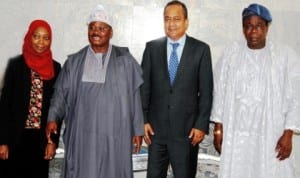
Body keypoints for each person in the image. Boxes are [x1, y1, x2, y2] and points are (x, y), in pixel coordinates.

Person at [46, 4, 144, 178]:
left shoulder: (125, 61)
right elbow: (60, 93)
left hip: (116, 133)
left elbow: (135, 96)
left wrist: (137, 129)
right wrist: (53, 117)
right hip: (83, 133)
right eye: (92, 27)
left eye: (101, 28)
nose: (96, 32)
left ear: (111, 32)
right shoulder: (74, 62)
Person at [211, 3, 300, 178]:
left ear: (267, 28)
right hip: (236, 132)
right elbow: (218, 90)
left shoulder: (284, 56)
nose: (253, 31)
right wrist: (218, 129)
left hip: (270, 133)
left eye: (259, 26)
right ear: (243, 28)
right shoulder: (231, 54)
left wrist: (288, 133)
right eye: (249, 26)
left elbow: (296, 96)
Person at [141, 1, 213, 177]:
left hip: (187, 133)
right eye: (167, 19)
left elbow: (206, 91)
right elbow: (144, 88)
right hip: (156, 134)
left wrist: (201, 125)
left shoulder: (201, 50)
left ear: (186, 22)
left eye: (176, 19)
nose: (171, 24)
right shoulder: (152, 48)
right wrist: (143, 120)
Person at [0, 19, 61, 178]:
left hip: (41, 141)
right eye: (36, 36)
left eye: (46, 38)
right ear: (29, 37)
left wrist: (52, 141)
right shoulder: (16, 65)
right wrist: (3, 141)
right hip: (15, 140)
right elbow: (5, 106)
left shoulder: (55, 68)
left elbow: (57, 106)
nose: (41, 42)